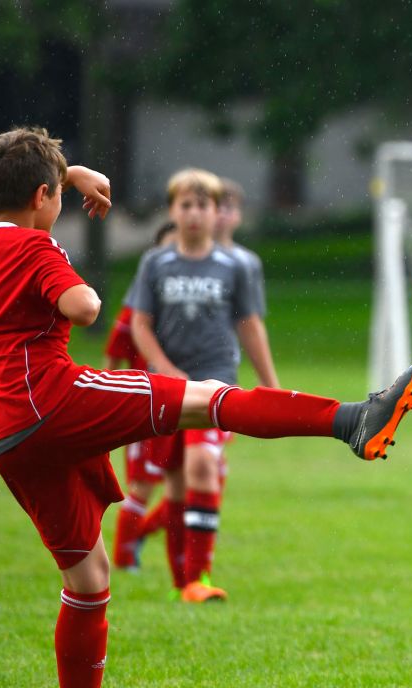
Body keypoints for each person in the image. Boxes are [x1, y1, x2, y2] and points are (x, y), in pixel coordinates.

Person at [0, 127, 412, 688]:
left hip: (6, 433)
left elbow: (21, 186)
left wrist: (68, 177)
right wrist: (67, 262)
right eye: (58, 194)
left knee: (89, 576)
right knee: (208, 399)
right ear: (43, 198)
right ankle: (352, 420)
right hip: (52, 398)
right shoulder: (36, 249)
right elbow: (84, 308)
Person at [127, 169, 281, 602]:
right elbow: (140, 324)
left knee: (201, 466)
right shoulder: (155, 262)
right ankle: (184, 582)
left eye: (203, 205)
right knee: (175, 480)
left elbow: (251, 327)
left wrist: (270, 386)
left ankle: (200, 577)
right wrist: (163, 367)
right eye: (185, 205)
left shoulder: (237, 265)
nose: (194, 214)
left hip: (216, 382)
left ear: (217, 213)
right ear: (172, 211)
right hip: (169, 386)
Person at [105, 221, 176, 571]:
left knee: (197, 484)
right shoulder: (137, 310)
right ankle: (123, 555)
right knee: (144, 485)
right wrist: (118, 401)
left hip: (193, 404)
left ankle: (143, 533)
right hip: (150, 407)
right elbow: (113, 354)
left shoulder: (195, 305)